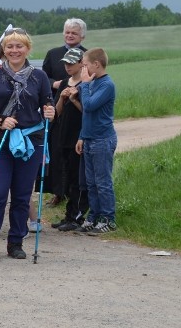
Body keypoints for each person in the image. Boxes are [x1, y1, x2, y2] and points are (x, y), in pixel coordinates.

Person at [0, 28, 55, 262]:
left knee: (21, 195)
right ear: (3, 50)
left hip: (30, 141)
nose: (14, 50)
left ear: (27, 49)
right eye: (9, 46)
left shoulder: (39, 77)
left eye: (19, 46)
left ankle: (16, 242)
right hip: (0, 140)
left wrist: (50, 112)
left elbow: (47, 106)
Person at [42, 18, 87, 205]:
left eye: (74, 33)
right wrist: (55, 85)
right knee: (57, 151)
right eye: (67, 32)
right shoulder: (53, 54)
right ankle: (58, 192)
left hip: (77, 114)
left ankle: (74, 194)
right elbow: (43, 75)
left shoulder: (87, 56)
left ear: (82, 36)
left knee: (74, 155)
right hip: (56, 107)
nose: (70, 35)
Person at [75, 48, 118, 235]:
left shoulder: (107, 85)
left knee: (103, 182)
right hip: (90, 138)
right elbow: (86, 114)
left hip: (102, 139)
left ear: (96, 64)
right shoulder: (92, 82)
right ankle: (94, 216)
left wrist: (84, 85)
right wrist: (82, 136)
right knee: (90, 183)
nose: (82, 69)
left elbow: (90, 106)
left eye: (85, 65)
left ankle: (109, 219)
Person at [51, 48, 89, 232]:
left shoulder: (86, 84)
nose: (67, 67)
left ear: (82, 63)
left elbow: (88, 112)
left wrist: (74, 99)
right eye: (66, 63)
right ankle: (69, 214)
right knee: (66, 176)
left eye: (71, 63)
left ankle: (77, 215)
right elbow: (56, 113)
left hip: (78, 136)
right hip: (63, 136)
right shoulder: (65, 83)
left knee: (77, 177)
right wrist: (63, 98)